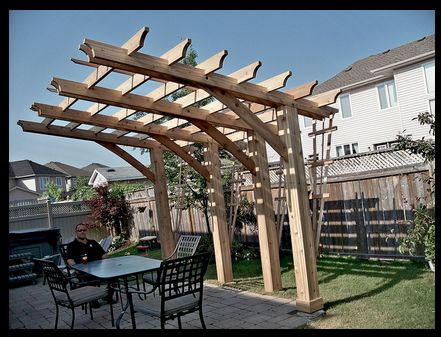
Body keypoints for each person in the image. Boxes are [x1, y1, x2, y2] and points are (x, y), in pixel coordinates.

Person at [65, 223, 116, 307]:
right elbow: (70, 260)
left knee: (114, 276)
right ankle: (93, 299)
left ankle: (108, 296)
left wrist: (106, 262)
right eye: (79, 230)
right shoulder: (71, 245)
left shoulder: (93, 242)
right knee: (89, 278)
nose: (82, 232)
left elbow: (103, 254)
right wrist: (77, 269)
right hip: (84, 271)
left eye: (84, 230)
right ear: (76, 232)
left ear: (86, 231)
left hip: (100, 269)